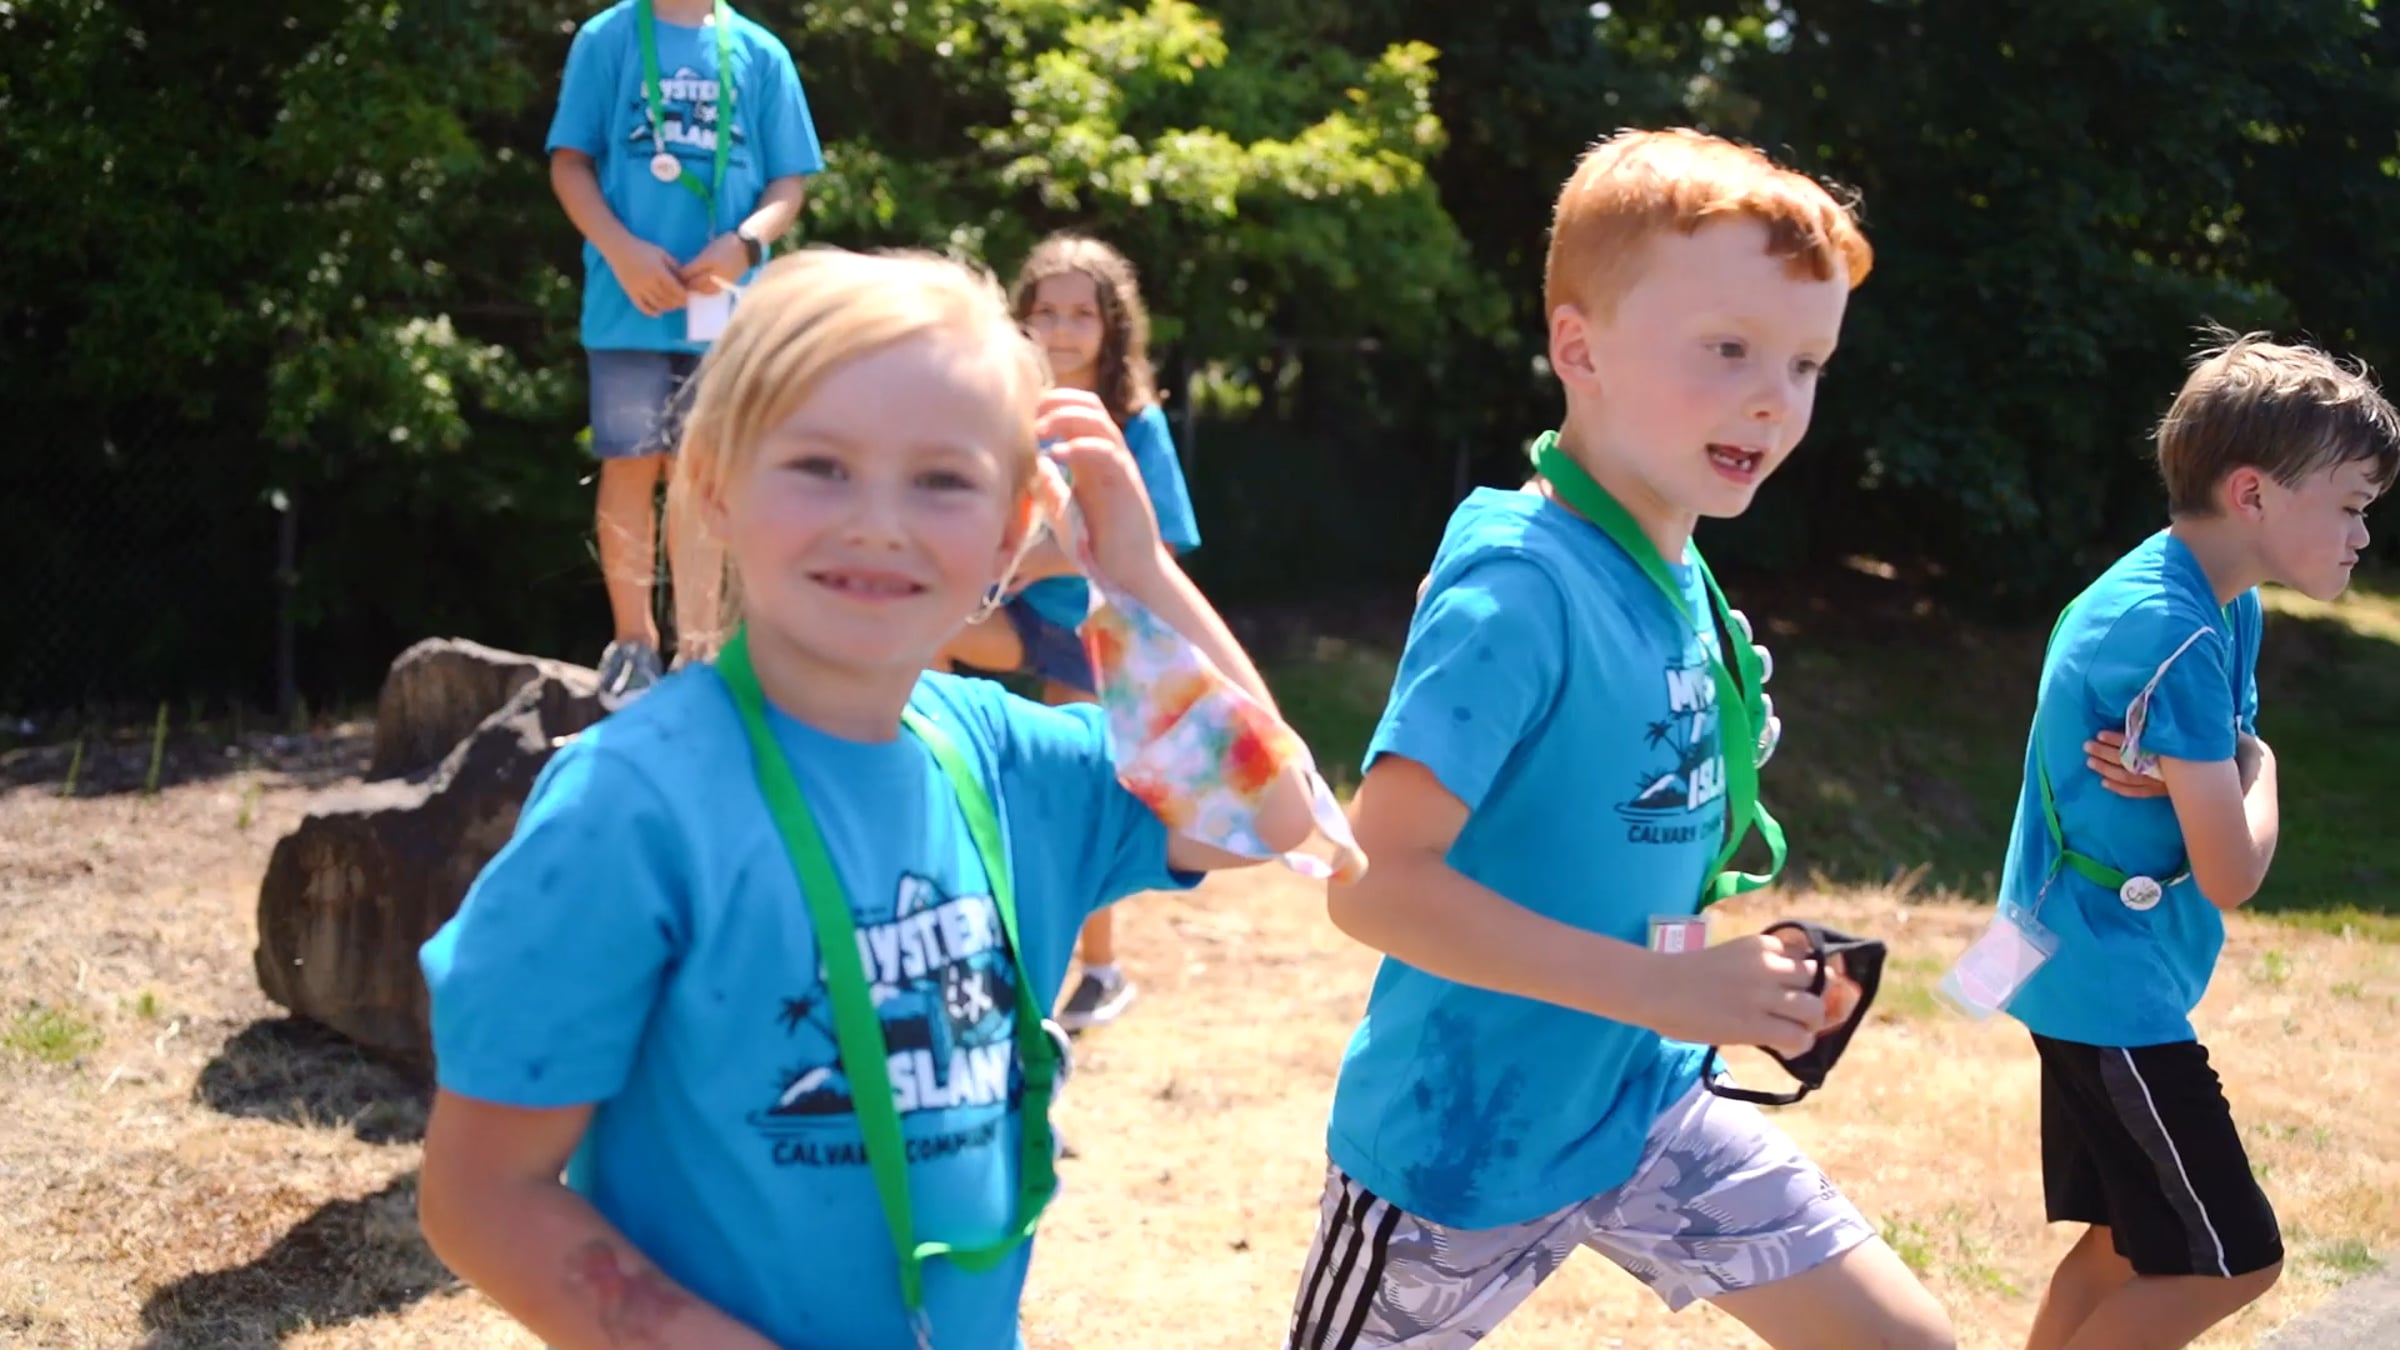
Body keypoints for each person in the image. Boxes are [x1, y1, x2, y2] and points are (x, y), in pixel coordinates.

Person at [416, 247, 1327, 1350]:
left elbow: (1271, 813)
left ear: (1010, 535)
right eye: (820, 465)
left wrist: (1136, 572)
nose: (879, 522)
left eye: (942, 480)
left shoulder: (1012, 762)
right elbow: (482, 1194)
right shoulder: (628, 808)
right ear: (715, 486)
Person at [1284, 127, 1955, 1350]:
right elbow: (1372, 884)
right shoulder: (1519, 584)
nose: (1775, 397)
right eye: (1729, 349)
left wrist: (1729, 972)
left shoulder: (1672, 560)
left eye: (1807, 363)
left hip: (1644, 1101)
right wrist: (1665, 986)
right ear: (1580, 348)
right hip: (1462, 1143)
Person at [1993, 332, 2398, 1350]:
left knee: (2130, 1244)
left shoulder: (2214, 600)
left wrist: (2217, 767)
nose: (2362, 535)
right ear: (2252, 493)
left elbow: (2214, 757)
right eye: (2351, 506)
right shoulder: (2169, 630)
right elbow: (2232, 869)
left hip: (2083, 964)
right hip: (2107, 986)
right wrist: (2263, 769)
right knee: (2232, 1259)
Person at [936, 232, 1203, 1031]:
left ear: (1112, 326)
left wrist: (1046, 558)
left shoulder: (1136, 421)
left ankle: (1101, 970)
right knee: (927, 633)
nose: (1060, 329)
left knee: (1079, 793)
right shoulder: (1007, 408)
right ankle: (935, 800)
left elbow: (1160, 541)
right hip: (1019, 622)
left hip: (1097, 635)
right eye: (1045, 312)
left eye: (1080, 314)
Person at [546, 0, 824, 705]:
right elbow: (570, 163)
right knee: (629, 463)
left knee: (702, 474)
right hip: (628, 302)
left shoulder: (759, 52)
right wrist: (622, 251)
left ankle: (698, 650)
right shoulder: (607, 37)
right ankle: (632, 642)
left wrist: (745, 244)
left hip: (723, 309)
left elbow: (788, 183)